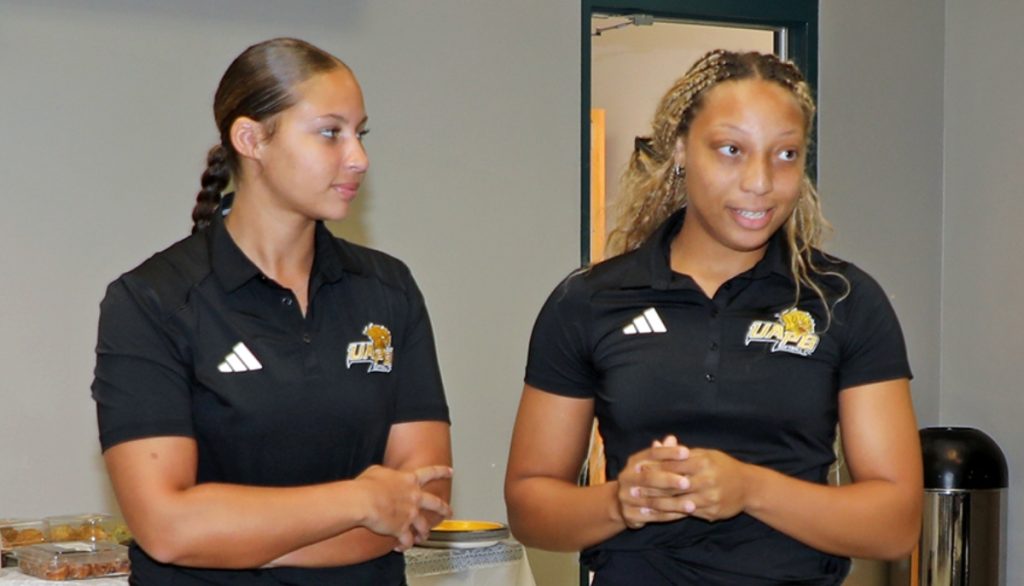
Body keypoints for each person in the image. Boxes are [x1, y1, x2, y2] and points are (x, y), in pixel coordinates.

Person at [505, 50, 922, 585]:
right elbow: (530, 507)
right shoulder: (587, 302)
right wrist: (622, 502)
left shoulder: (845, 301)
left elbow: (895, 525)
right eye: (731, 149)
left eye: (786, 154)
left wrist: (749, 489)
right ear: (680, 149)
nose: (760, 181)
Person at [92, 38, 452, 585]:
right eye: (331, 132)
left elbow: (421, 501)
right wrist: (359, 500)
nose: (358, 157)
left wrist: (240, 540)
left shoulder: (388, 288)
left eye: (361, 133)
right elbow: (167, 527)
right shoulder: (151, 301)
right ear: (251, 138)